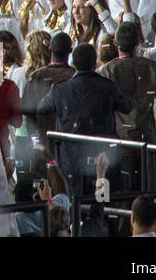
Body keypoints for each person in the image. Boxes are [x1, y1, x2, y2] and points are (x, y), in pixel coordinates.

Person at [37, 43, 132, 194]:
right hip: (102, 158)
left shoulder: (59, 89)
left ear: (73, 63)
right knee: (102, 201)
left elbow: (42, 108)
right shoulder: (109, 87)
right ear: (95, 63)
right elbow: (127, 107)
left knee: (74, 204)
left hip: (70, 159)